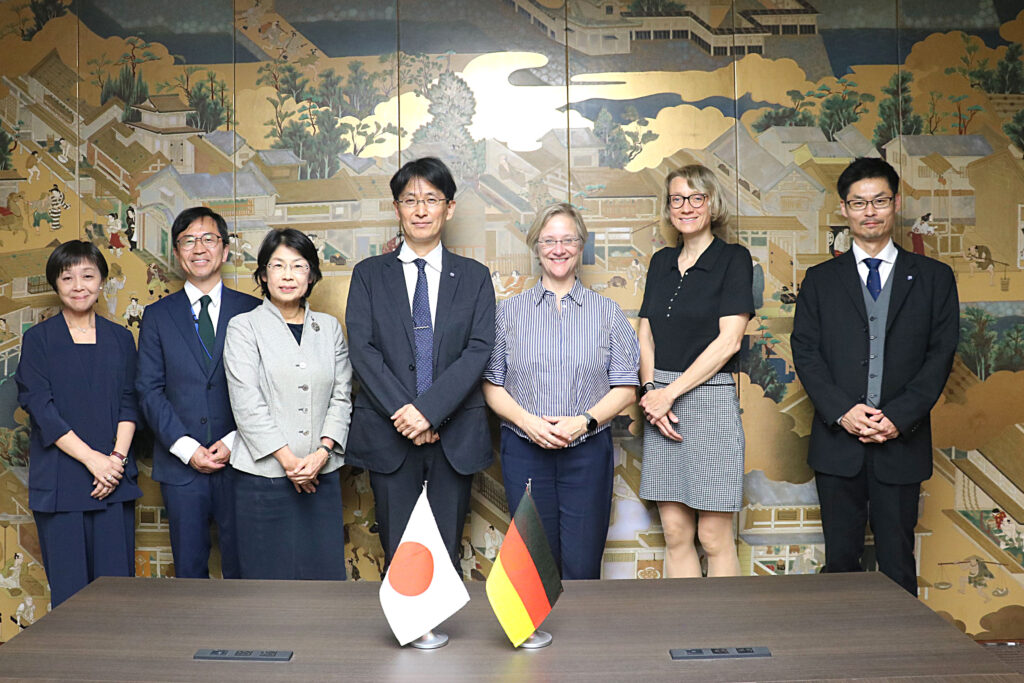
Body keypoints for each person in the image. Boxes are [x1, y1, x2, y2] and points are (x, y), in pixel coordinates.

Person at [791, 157, 958, 595]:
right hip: (837, 444)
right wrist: (843, 411)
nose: (870, 212)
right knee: (840, 564)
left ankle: (903, 643)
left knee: (898, 563)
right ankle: (839, 641)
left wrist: (898, 417)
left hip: (901, 442)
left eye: (879, 201)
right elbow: (805, 352)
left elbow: (940, 355)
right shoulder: (820, 281)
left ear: (895, 203)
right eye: (859, 203)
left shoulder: (935, 278)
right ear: (844, 209)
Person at [345, 157, 495, 573]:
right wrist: (407, 413)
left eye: (431, 199)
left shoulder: (475, 277)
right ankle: (405, 617)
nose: (421, 209)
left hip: (454, 435)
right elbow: (363, 350)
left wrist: (429, 411)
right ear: (397, 209)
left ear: (449, 208)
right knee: (400, 556)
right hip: (390, 432)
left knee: (445, 554)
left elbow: (478, 350)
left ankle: (443, 616)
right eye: (410, 200)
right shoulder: (369, 275)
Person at [483, 203, 639, 579]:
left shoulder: (607, 313)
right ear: (536, 246)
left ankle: (584, 623)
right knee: (534, 568)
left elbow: (626, 387)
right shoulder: (507, 313)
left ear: (581, 245)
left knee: (582, 567)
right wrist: (528, 422)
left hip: (587, 452)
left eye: (568, 240)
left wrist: (583, 422)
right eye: (549, 240)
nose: (558, 249)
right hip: (525, 450)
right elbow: (491, 384)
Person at [637, 164, 753, 578]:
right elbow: (645, 334)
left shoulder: (733, 259)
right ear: (668, 208)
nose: (686, 207)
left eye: (695, 198)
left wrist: (668, 394)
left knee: (713, 536)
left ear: (712, 204)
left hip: (709, 399)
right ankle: (682, 617)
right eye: (677, 199)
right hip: (659, 404)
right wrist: (651, 392)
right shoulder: (661, 262)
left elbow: (729, 341)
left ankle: (723, 620)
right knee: (675, 533)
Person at [136, 207, 260, 579]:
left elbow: (267, 388)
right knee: (189, 574)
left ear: (225, 250)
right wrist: (187, 448)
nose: (199, 248)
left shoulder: (253, 311)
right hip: (180, 468)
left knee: (247, 570)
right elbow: (149, 390)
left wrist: (235, 440)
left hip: (243, 462)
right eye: (188, 241)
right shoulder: (157, 315)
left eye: (208, 239)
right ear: (177, 253)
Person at [15, 241, 141, 606]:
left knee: (117, 597)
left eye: (87, 275)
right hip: (61, 482)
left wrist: (115, 461)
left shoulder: (121, 338)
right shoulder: (38, 340)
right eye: (67, 277)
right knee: (70, 599)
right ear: (55, 284)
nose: (78, 285)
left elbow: (130, 402)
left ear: (102, 281)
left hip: (113, 481)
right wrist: (93, 460)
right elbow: (41, 409)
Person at [224, 228, 352, 580]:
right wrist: (291, 463)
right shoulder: (244, 327)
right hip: (262, 478)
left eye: (298, 266)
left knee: (323, 581)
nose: (288, 275)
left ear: (311, 275)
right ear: (263, 275)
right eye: (277, 265)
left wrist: (322, 454)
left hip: (321, 475)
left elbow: (342, 396)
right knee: (268, 584)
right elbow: (246, 402)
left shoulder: (329, 328)